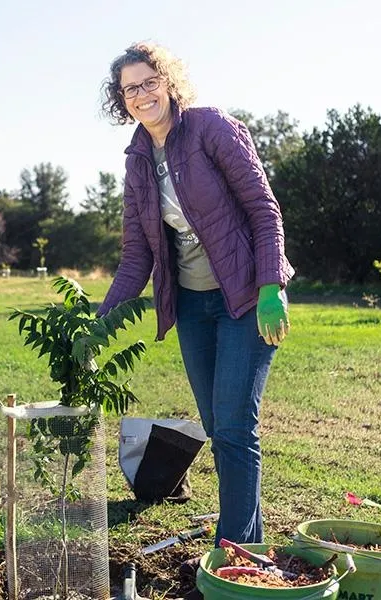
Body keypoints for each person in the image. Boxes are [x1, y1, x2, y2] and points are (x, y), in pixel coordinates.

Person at [98, 41, 295, 548]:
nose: (142, 95)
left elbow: (263, 210)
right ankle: (248, 545)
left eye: (148, 82)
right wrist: (100, 321)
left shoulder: (211, 128)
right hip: (192, 306)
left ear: (167, 81)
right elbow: (136, 257)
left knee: (233, 427)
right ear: (122, 102)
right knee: (217, 425)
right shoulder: (138, 163)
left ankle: (234, 550)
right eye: (130, 89)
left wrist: (271, 286)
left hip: (246, 299)